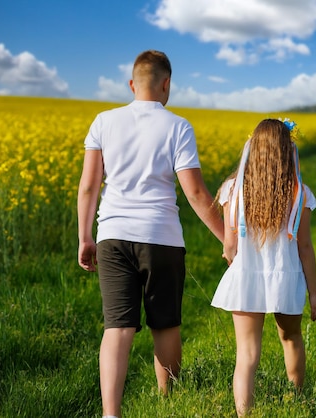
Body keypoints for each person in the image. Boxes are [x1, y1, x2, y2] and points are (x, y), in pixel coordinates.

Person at [77, 49, 224, 418]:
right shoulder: (178, 126)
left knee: (118, 327)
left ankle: (111, 415)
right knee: (166, 324)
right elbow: (194, 193)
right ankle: (167, 405)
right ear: (166, 84)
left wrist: (85, 236)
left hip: (112, 235)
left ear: (131, 84)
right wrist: (228, 238)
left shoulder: (103, 122)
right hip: (162, 238)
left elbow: (88, 187)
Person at [211, 118, 316, 416]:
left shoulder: (232, 190)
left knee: (247, 356)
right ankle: (297, 401)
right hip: (286, 278)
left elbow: (229, 247)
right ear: (288, 151)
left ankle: (244, 414)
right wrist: (315, 294)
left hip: (247, 277)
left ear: (254, 148)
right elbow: (304, 248)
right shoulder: (299, 193)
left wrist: (240, 262)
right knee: (290, 338)